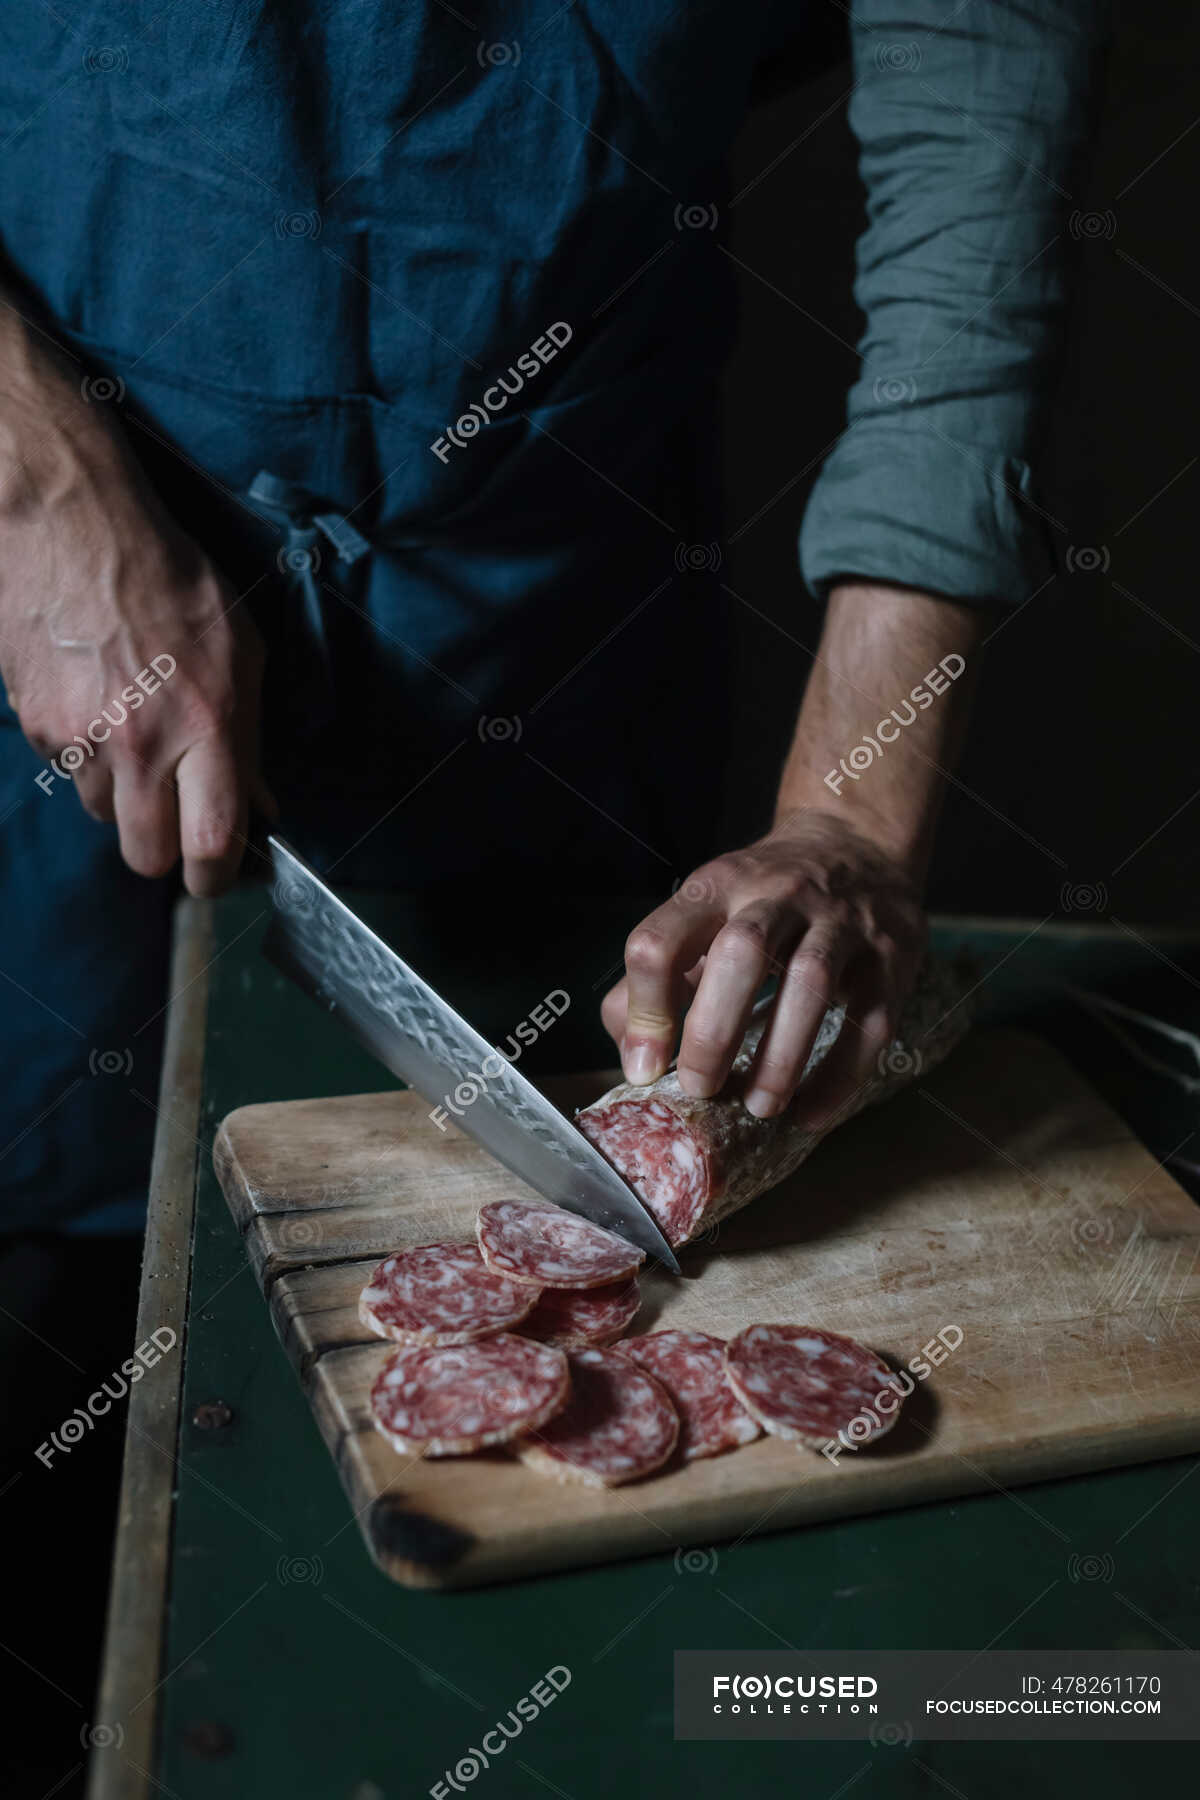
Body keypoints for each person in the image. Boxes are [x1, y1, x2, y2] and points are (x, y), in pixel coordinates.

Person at [0, 2, 1104, 1235]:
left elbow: (978, 148)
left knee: (506, 1195)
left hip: (554, 630)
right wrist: (34, 488)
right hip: (50, 586)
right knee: (51, 1237)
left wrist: (851, 809)